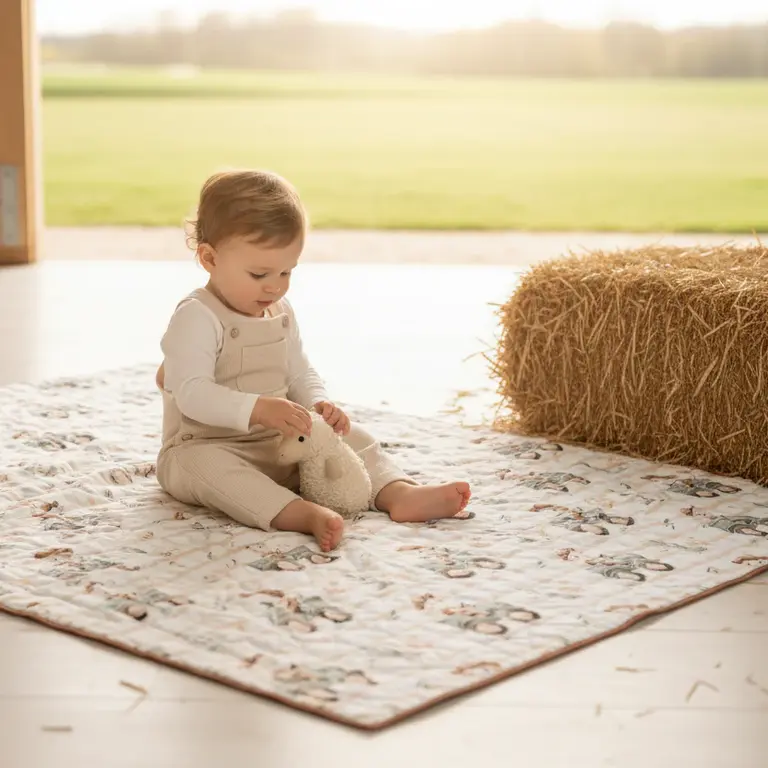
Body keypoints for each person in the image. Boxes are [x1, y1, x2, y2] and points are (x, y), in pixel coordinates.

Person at [155, 169, 471, 551]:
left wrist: (319, 404)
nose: (275, 285)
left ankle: (397, 492)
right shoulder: (197, 316)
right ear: (209, 258)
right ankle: (300, 513)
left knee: (354, 438)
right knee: (211, 471)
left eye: (287, 271)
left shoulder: (279, 310)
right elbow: (191, 393)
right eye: (259, 273)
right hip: (207, 444)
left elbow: (299, 371)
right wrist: (257, 408)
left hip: (279, 440)